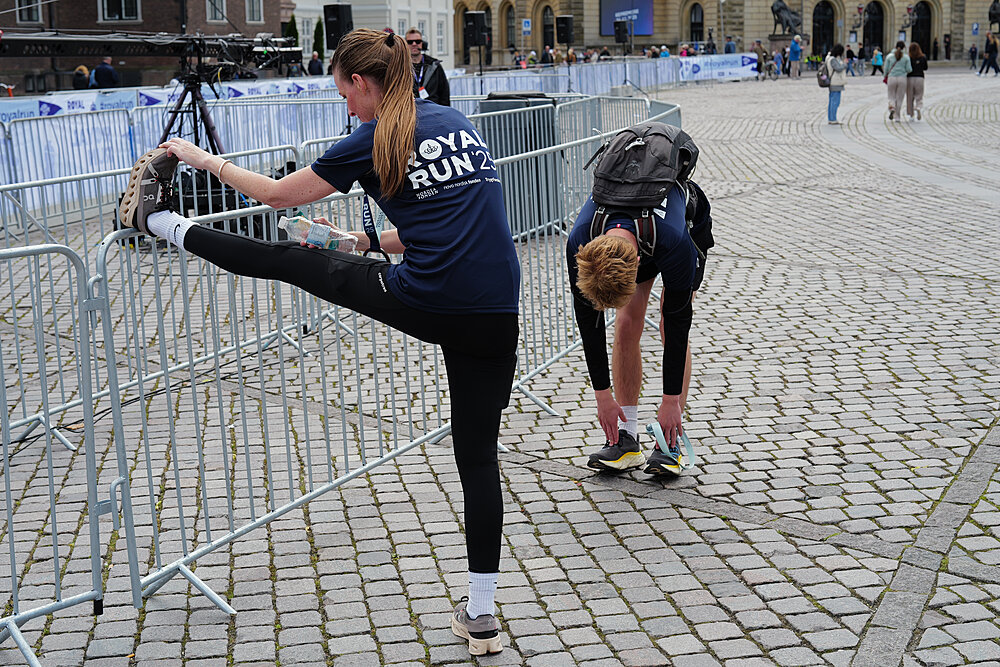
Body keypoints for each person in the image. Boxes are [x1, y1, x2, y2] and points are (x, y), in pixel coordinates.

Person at [117, 28, 519, 657]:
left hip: (432, 298)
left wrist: (200, 159)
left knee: (289, 259)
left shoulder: (376, 135)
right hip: (497, 310)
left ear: (362, 82)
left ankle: (156, 219)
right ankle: (483, 614)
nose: (346, 107)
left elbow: (276, 194)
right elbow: (448, 224)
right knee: (478, 458)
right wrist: (361, 242)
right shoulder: (456, 123)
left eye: (344, 94)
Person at [566, 158, 711, 477]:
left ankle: (669, 442)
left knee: (667, 324)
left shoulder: (673, 241)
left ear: (635, 268)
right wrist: (602, 395)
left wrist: (670, 401)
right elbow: (588, 325)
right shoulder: (580, 240)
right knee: (627, 320)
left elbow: (679, 324)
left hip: (686, 227)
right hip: (630, 231)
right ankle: (626, 438)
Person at [406, 27, 450, 105]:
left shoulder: (434, 66)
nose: (414, 44)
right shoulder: (401, 67)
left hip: (433, 109)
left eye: (417, 41)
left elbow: (444, 93)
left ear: (423, 44)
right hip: (410, 109)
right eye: (410, 42)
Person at [884, 41, 912, 120]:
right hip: (902, 78)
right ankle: (897, 117)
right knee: (899, 98)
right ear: (904, 48)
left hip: (891, 78)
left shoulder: (889, 56)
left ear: (895, 46)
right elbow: (909, 69)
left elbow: (886, 69)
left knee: (891, 96)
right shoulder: (906, 57)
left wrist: (885, 76)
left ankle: (892, 106)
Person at [825, 44, 847, 124]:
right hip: (835, 82)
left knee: (832, 101)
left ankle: (831, 118)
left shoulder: (829, 58)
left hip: (833, 82)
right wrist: (844, 64)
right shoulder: (833, 59)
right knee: (835, 102)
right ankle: (832, 119)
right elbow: (838, 68)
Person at [906, 42, 928, 120]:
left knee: (910, 97)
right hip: (920, 78)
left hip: (910, 78)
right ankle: (918, 106)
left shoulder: (908, 58)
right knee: (919, 95)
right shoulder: (923, 57)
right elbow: (925, 68)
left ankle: (911, 115)